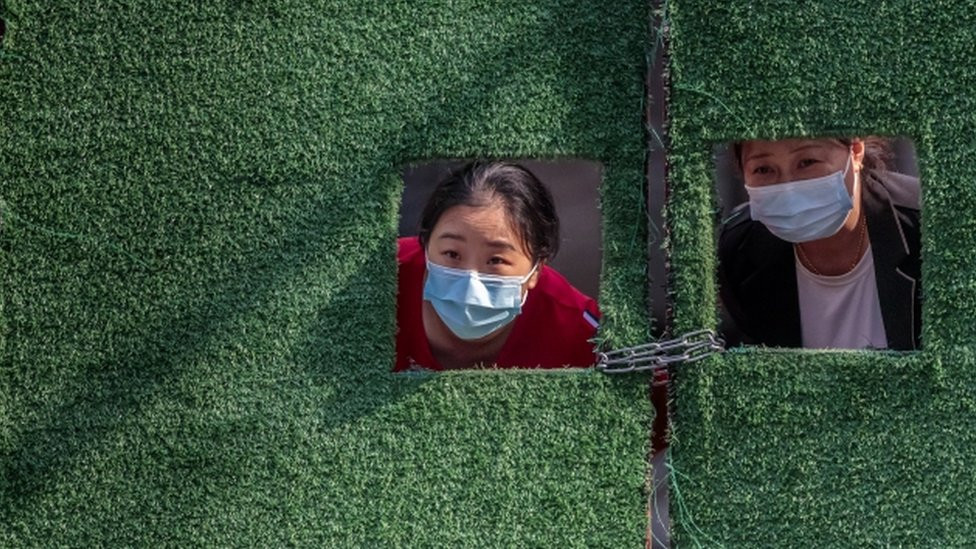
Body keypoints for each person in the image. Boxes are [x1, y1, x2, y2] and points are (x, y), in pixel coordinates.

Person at [718, 137, 921, 350]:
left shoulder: (927, 227)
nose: (789, 188)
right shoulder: (738, 250)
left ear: (856, 151)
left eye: (807, 162)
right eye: (763, 169)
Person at [394, 161, 601, 371]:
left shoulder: (581, 331)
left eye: (496, 260)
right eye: (452, 254)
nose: (470, 283)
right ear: (426, 245)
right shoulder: (384, 273)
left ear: (536, 269)